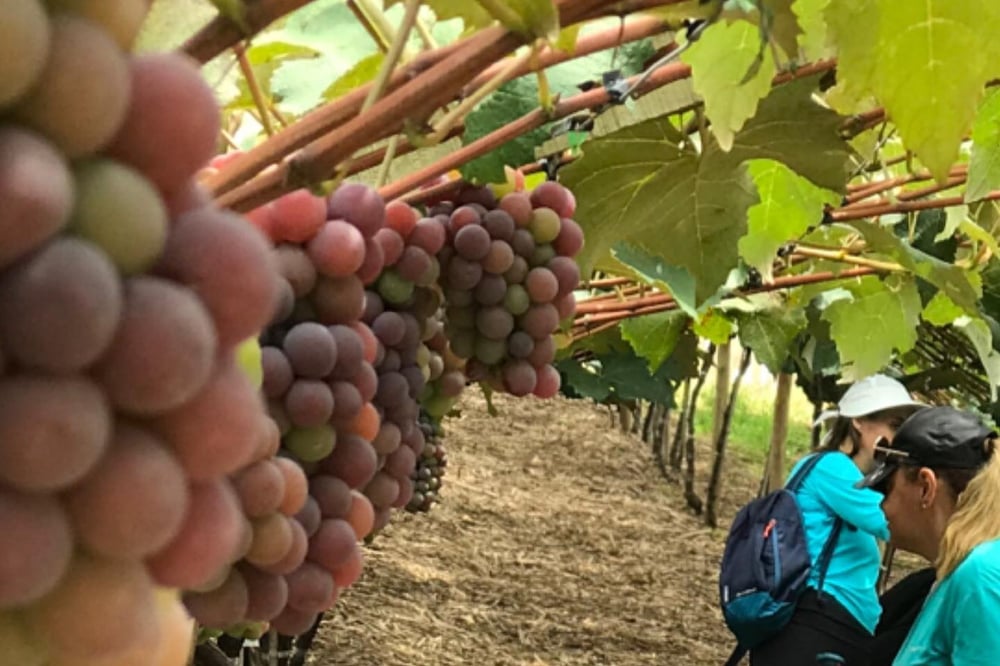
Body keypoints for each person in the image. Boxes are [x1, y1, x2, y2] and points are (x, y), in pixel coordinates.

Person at [750, 374, 924, 666]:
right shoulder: (834, 468)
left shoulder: (838, 471)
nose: (900, 440)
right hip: (817, 622)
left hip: (829, 621)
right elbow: (893, 523)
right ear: (858, 421)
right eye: (895, 426)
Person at [855, 405, 1000, 665]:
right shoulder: (955, 574)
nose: (881, 506)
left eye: (886, 489)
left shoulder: (980, 575)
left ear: (926, 487)